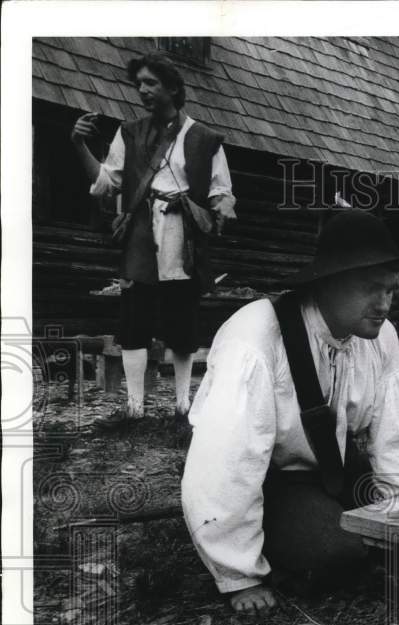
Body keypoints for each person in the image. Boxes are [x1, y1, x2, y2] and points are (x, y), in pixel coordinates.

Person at [181, 209, 399, 614]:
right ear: (329, 281)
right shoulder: (257, 338)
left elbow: (396, 433)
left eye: (391, 289)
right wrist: (237, 576)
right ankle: (252, 548)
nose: (385, 304)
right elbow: (226, 465)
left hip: (332, 466)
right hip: (270, 478)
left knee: (398, 536)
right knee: (336, 552)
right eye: (371, 288)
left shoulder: (380, 336)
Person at [71, 52, 237, 423]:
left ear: (173, 88)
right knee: (134, 321)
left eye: (151, 83)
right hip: (141, 235)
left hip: (183, 236)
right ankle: (134, 408)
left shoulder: (204, 138)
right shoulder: (129, 133)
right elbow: (104, 184)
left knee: (182, 321)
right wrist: (79, 145)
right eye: (139, 84)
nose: (142, 90)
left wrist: (224, 204)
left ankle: (182, 404)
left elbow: (220, 189)